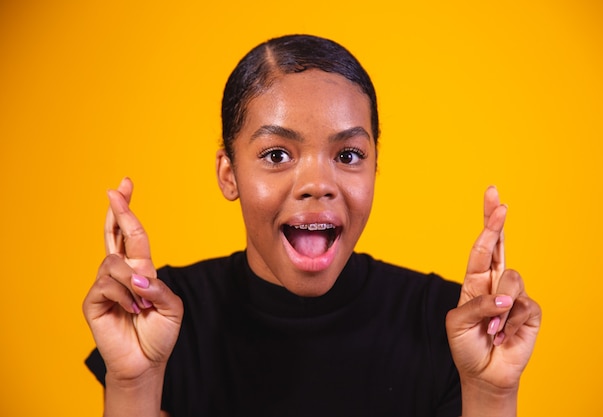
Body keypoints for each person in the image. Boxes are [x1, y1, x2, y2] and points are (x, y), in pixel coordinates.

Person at [83, 34, 541, 417]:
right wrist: (135, 381)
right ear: (229, 174)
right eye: (277, 155)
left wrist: (490, 393)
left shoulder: (449, 325)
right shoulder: (162, 321)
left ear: (375, 168)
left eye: (347, 156)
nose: (318, 184)